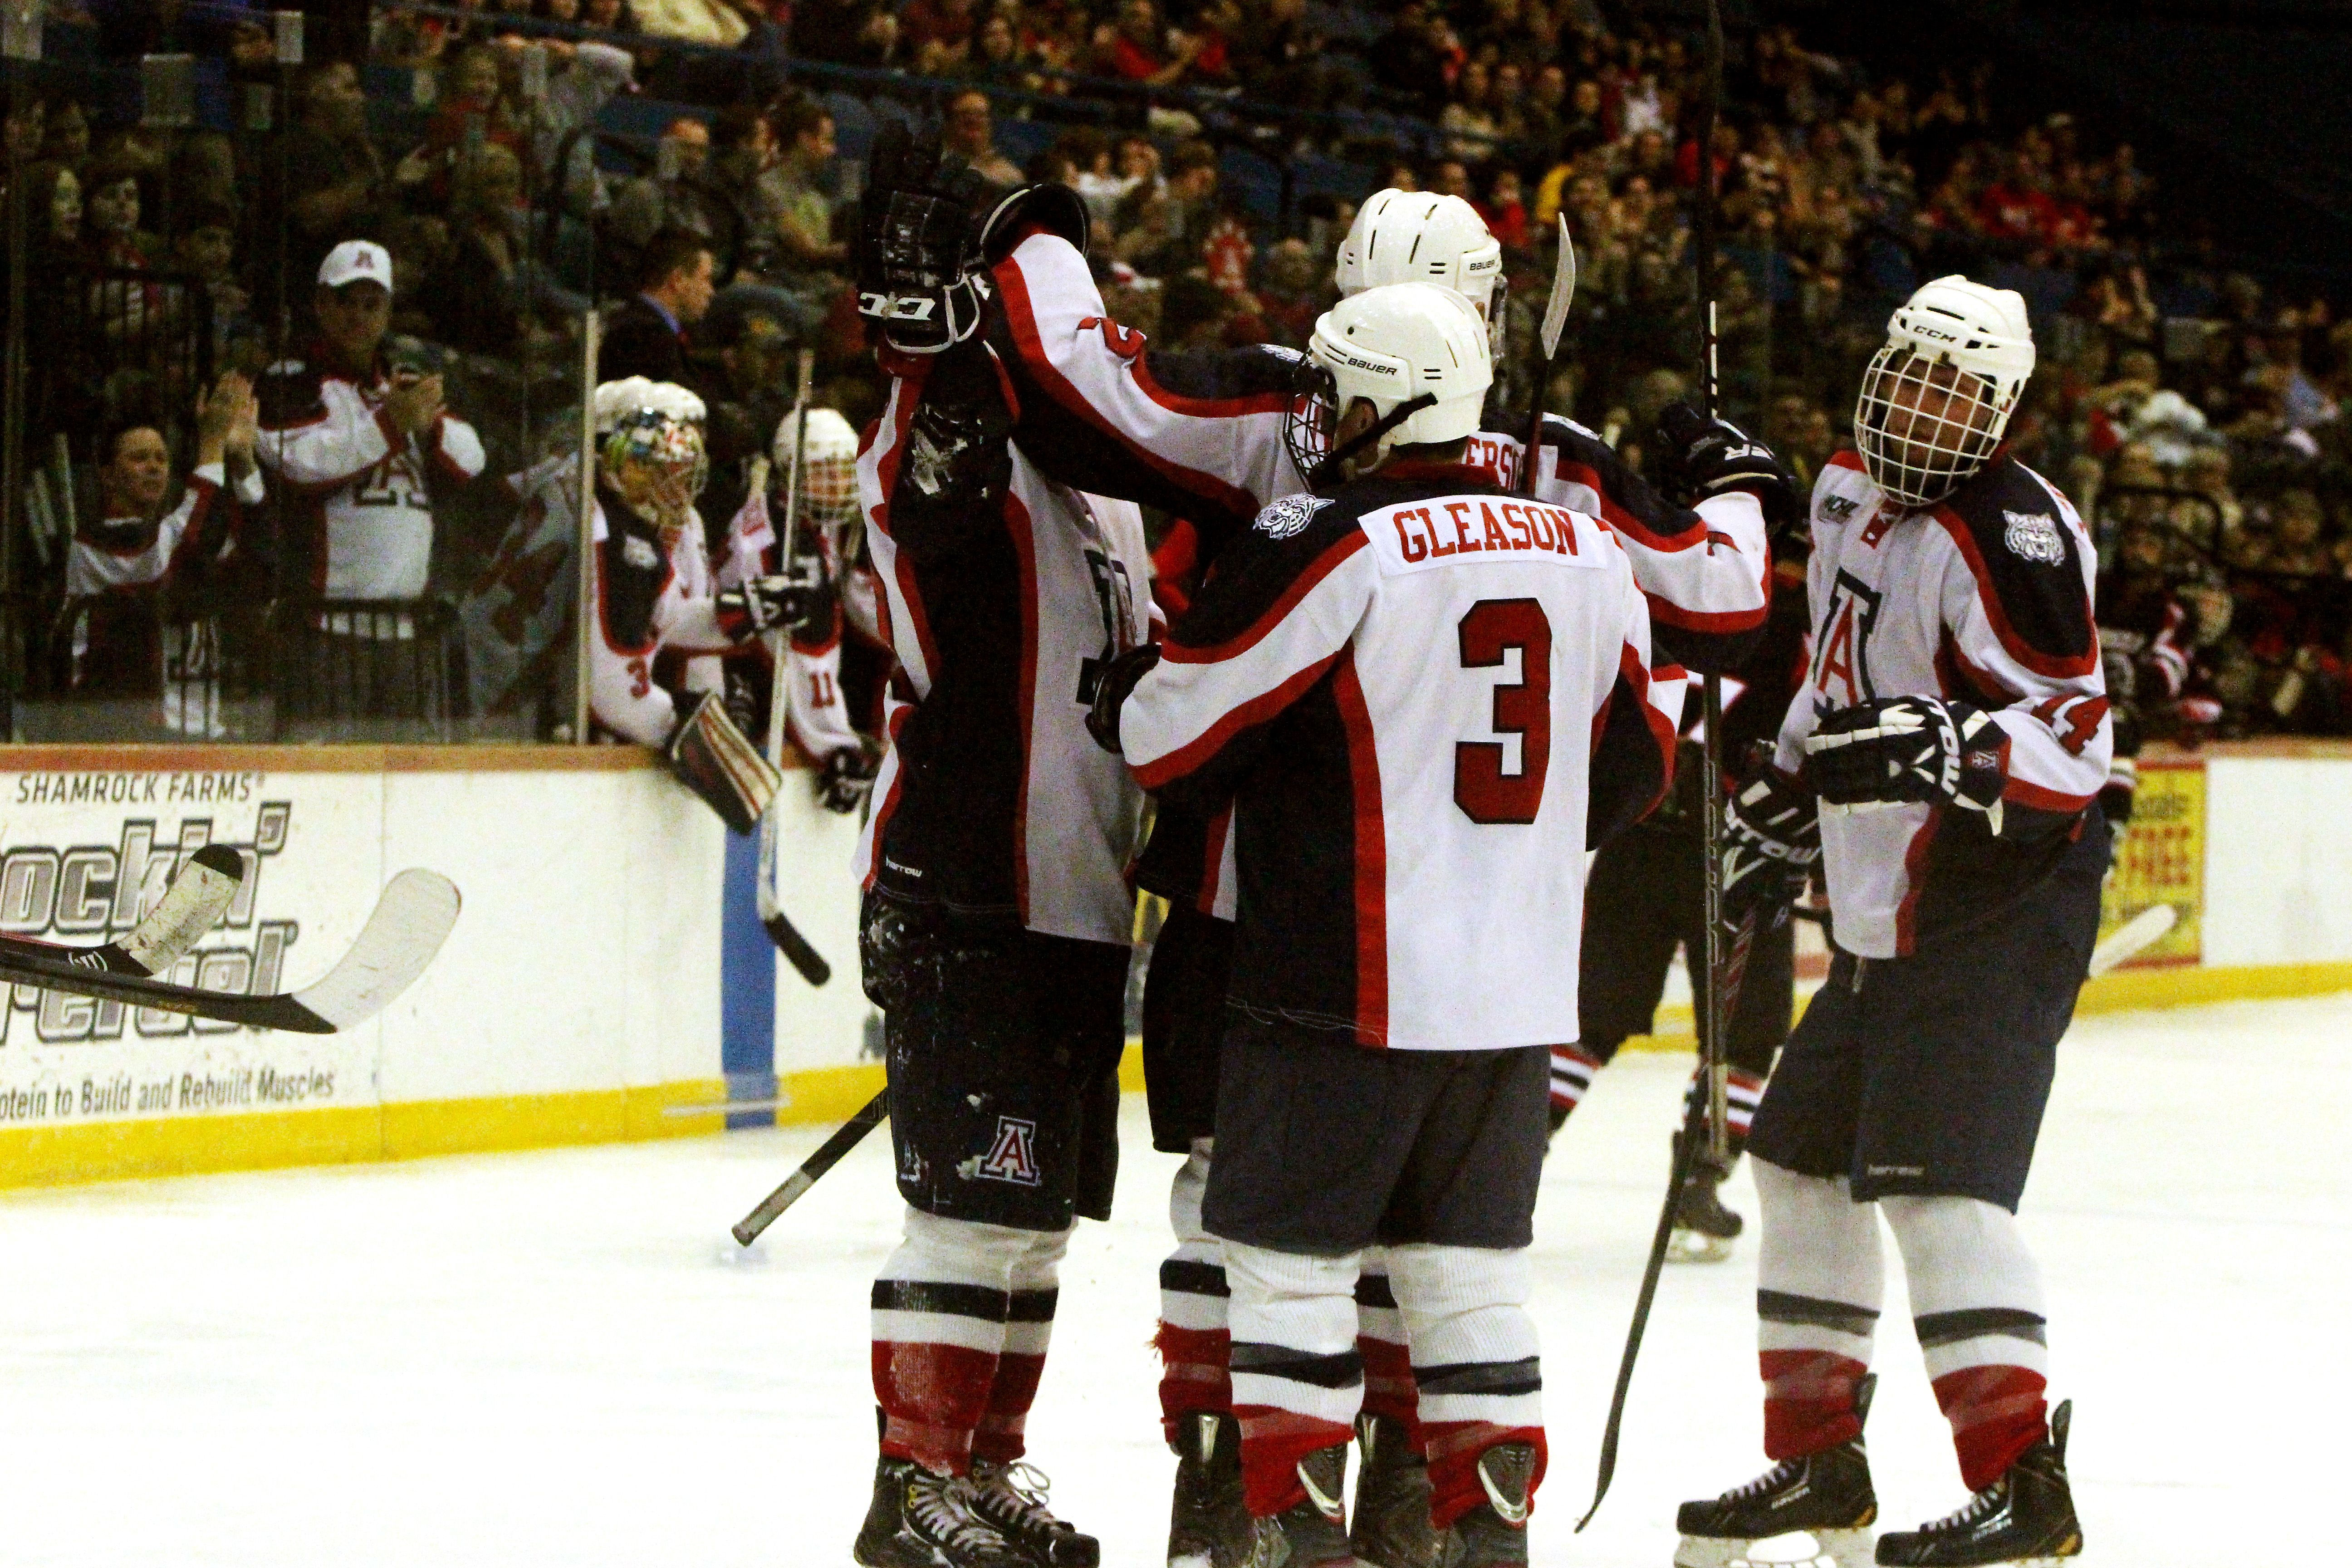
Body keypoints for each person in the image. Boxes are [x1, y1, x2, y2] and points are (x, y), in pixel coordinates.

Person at [1089, 281, 1687, 1568]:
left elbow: (1172, 739)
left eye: (1338, 387)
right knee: (1471, 1288)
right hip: (1515, 1003)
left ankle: (1301, 1553)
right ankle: (1487, 1548)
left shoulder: (1336, 538)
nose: (1320, 412)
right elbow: (1639, 767)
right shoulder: (1592, 552)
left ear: (1388, 402)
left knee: (1289, 1273)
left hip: (1341, 990)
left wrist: (1132, 697)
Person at [1676, 276, 2104, 1568]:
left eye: (1958, 390)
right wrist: (1776, 797)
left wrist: (1960, 749)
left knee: (1941, 1190)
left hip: (1994, 905)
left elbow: (2074, 743)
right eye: (1912, 374)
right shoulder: (1846, 488)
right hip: (1886, 917)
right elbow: (1830, 676)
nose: (1926, 405)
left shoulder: (2017, 535)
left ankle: (2022, 1487)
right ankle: (1819, 1463)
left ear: (2003, 410)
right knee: (1798, 1158)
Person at [848, 126, 1155, 1568]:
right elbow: (934, 503)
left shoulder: (1096, 484)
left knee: (1033, 1226)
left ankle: (986, 1462)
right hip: (972, 881)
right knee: (970, 1215)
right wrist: (951, 328)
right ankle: (911, 1483)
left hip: (1079, 900)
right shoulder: (941, 426)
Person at [583, 377, 806, 829]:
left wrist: (743, 610)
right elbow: (609, 688)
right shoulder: (616, 536)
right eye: (658, 467)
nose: (677, 488)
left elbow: (663, 618)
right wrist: (682, 731)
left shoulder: (623, 523)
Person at [257, 240, 485, 605]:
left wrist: (428, 426)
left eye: (371, 304)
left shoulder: (401, 384)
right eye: (346, 302)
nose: (358, 316)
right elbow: (299, 465)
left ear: (388, 312)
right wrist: (392, 425)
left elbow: (471, 461)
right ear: (321, 305)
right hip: (321, 617)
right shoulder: (290, 379)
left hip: (406, 624)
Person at [60, 373, 263, 704]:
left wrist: (243, 461)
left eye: (161, 458)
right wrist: (211, 442)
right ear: (108, 475)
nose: (154, 467)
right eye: (139, 458)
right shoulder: (95, 542)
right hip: (116, 723)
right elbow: (187, 546)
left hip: (199, 731)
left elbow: (259, 566)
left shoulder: (170, 532)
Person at [598, 227, 713, 385]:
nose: (710, 292)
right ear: (677, 280)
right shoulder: (644, 336)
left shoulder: (651, 329)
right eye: (706, 279)